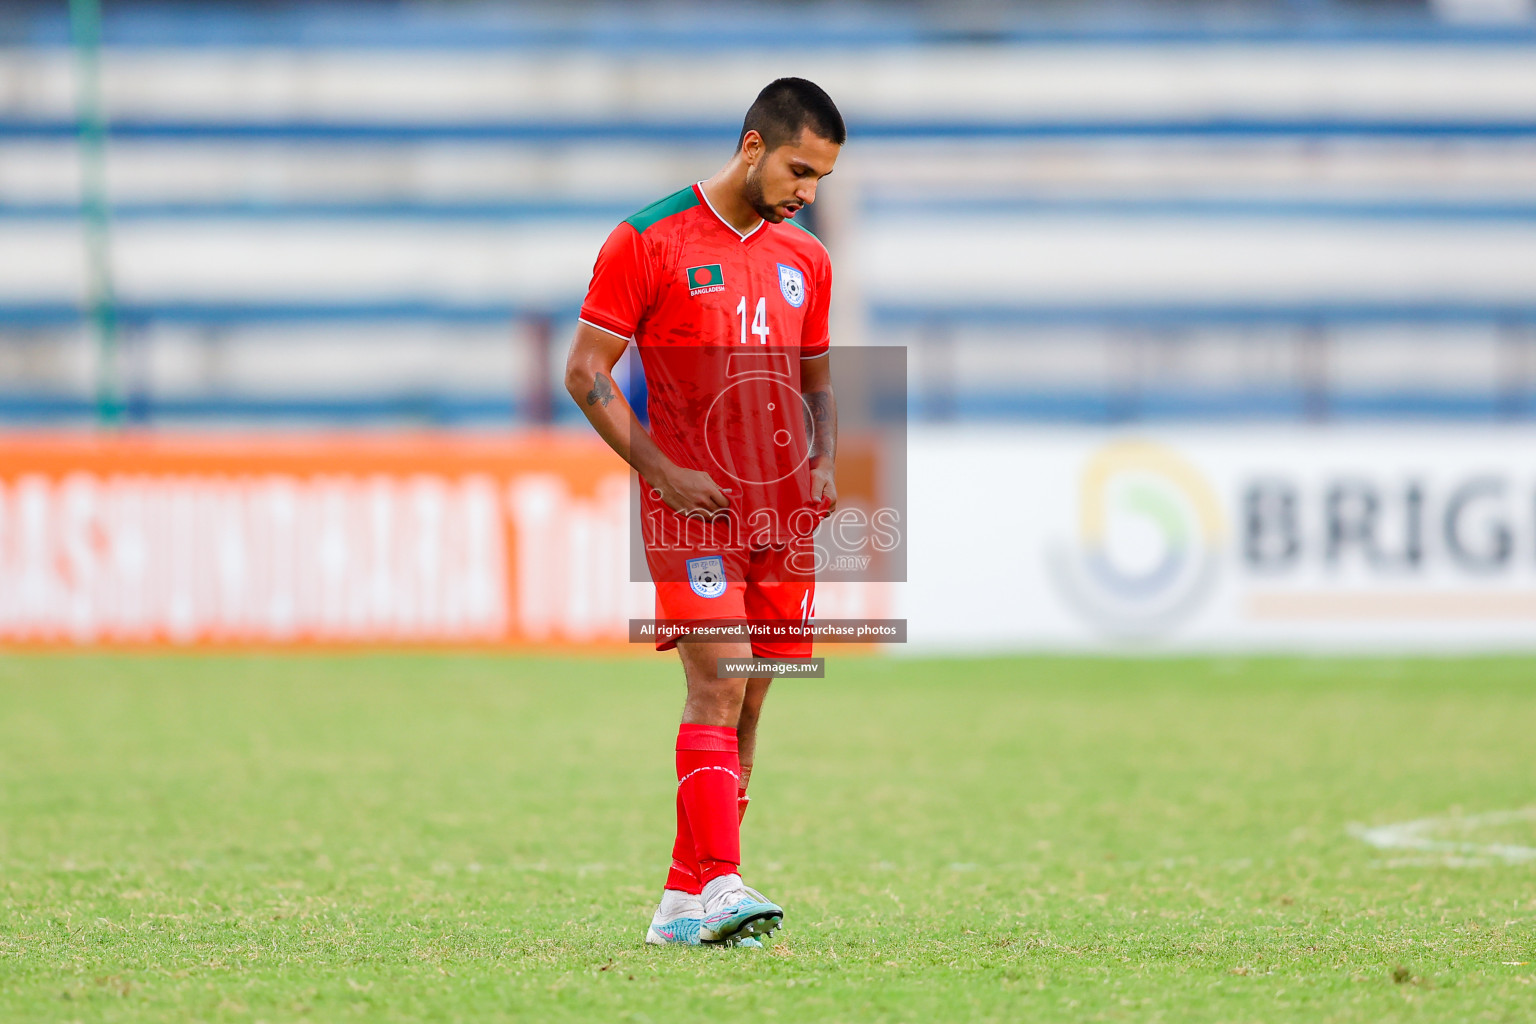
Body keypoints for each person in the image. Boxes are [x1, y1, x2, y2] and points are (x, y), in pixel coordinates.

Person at [564, 77, 844, 947]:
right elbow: (585, 374)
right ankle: (721, 883)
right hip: (693, 514)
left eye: (821, 180)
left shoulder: (808, 261)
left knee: (755, 701)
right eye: (800, 170)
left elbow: (818, 379)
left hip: (781, 521)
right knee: (717, 683)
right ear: (753, 146)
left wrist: (826, 463)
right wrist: (664, 471)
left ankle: (684, 902)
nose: (807, 193)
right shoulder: (647, 239)